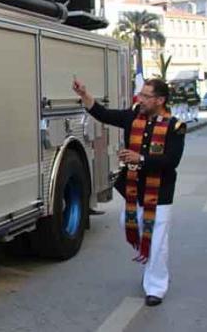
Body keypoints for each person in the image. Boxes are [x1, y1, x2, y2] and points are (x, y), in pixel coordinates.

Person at [73, 78, 186, 307]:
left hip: (160, 193)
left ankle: (156, 287)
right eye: (141, 95)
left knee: (156, 241)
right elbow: (104, 114)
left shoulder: (175, 127)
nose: (140, 99)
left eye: (146, 96)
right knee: (133, 226)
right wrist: (85, 95)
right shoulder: (133, 116)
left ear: (160, 100)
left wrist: (140, 159)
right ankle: (152, 268)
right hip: (134, 191)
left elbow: (171, 161)